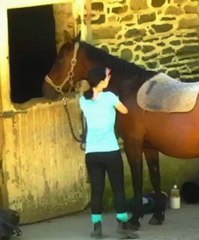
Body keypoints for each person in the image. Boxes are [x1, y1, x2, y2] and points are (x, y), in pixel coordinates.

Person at [79, 66, 139, 239]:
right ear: (100, 81)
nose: (108, 80)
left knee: (97, 190)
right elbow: (125, 110)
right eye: (106, 78)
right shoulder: (111, 97)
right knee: (118, 189)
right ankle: (122, 225)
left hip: (92, 153)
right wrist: (114, 98)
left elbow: (92, 99)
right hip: (110, 151)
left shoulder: (83, 100)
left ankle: (97, 228)